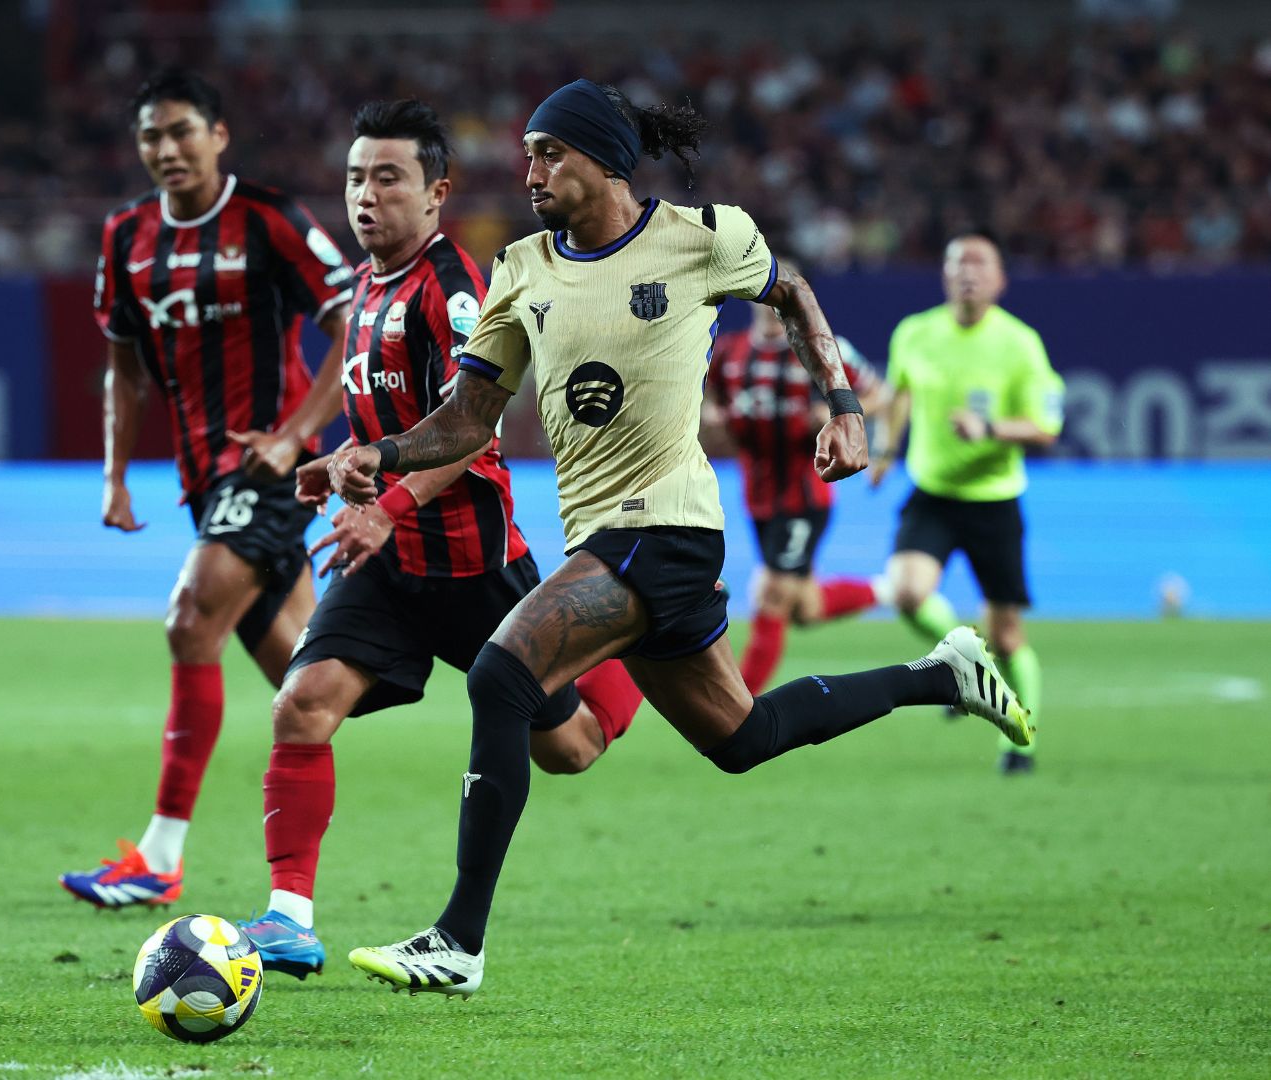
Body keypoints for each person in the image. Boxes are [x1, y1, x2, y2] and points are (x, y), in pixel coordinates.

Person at [314, 80, 1032, 996]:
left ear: (603, 158)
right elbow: (467, 420)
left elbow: (794, 291)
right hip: (609, 535)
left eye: (548, 153)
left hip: (668, 527)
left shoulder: (703, 237)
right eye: (527, 153)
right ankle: (940, 674)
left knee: (501, 675)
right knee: (743, 735)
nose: (527, 170)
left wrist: (843, 408)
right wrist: (377, 452)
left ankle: (458, 939)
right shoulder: (522, 269)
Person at [234, 100, 644, 979]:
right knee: (299, 705)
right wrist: (339, 469)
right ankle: (287, 918)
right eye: (354, 178)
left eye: (388, 178)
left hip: (474, 564)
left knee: (568, 749)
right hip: (388, 566)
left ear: (435, 194)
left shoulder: (454, 290)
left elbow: (470, 435)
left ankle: (636, 636)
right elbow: (385, 426)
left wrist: (386, 503)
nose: (365, 196)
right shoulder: (362, 291)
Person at [60, 70, 354, 908]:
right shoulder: (125, 238)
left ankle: (158, 856)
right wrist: (115, 472)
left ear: (219, 135)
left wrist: (297, 434)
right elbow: (122, 365)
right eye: (152, 136)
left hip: (267, 471)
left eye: (182, 131)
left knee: (190, 618)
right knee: (313, 689)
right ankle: (558, 701)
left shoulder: (269, 219)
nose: (167, 149)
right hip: (202, 482)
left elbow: (352, 318)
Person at [869, 233, 1064, 774]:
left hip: (993, 501)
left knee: (1008, 635)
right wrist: (887, 450)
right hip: (932, 493)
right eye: (957, 263)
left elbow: (1047, 426)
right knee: (907, 592)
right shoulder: (915, 332)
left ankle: (1019, 743)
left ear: (1000, 279)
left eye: (979, 263)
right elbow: (899, 393)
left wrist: (991, 427)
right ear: (945, 276)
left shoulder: (1020, 344)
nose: (967, 272)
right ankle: (966, 662)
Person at [702, 286, 889, 694]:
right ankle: (885, 589)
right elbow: (705, 404)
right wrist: (710, 415)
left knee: (772, 593)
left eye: (784, 301)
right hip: (757, 496)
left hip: (807, 495)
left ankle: (741, 702)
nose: (774, 309)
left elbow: (879, 394)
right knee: (803, 607)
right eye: (768, 300)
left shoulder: (822, 350)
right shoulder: (729, 353)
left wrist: (836, 411)